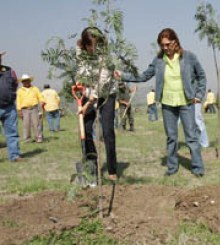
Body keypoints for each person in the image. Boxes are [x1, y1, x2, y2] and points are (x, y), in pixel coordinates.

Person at [118, 28, 206, 177]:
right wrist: (123, 76)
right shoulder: (159, 61)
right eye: (162, 45)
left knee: (191, 136)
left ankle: (198, 168)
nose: (165, 48)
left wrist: (199, 94)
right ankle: (172, 167)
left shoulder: (189, 57)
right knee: (171, 137)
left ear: (175, 42)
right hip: (167, 104)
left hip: (186, 102)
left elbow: (201, 76)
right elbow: (144, 76)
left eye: (167, 44)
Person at [76, 26, 118, 182]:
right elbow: (81, 72)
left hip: (107, 93)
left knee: (107, 131)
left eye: (96, 44)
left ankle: (112, 169)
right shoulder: (81, 53)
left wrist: (87, 105)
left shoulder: (106, 57)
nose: (93, 48)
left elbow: (102, 83)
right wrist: (80, 86)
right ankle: (92, 165)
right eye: (89, 45)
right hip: (88, 93)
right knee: (86, 129)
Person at [0, 52, 22, 162]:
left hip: (9, 107)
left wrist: (11, 95)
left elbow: (15, 83)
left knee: (12, 133)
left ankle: (15, 156)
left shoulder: (9, 71)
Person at [16, 74, 45, 143]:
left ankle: (39, 138)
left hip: (34, 108)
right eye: (24, 81)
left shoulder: (35, 88)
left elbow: (40, 96)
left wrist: (42, 101)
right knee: (26, 125)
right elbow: (18, 101)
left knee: (36, 124)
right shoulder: (20, 90)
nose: (26, 82)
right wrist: (19, 111)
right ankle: (27, 139)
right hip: (24, 110)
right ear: (22, 82)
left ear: (30, 81)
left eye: (27, 81)